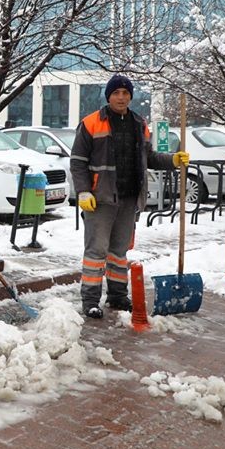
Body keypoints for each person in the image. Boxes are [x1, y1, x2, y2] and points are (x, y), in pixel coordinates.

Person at [70, 74, 190, 319]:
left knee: (119, 251)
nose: (121, 97)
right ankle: (90, 300)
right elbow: (78, 161)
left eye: (125, 93)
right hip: (100, 198)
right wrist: (83, 190)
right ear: (108, 96)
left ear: (131, 96)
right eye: (116, 93)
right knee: (96, 252)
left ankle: (117, 295)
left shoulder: (139, 124)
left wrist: (173, 160)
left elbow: (149, 157)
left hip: (129, 197)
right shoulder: (91, 123)